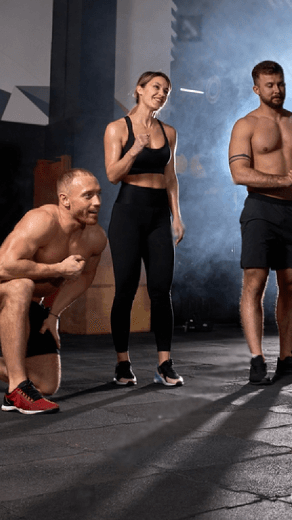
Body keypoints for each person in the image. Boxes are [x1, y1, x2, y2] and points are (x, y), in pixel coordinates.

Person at [0, 169, 107, 414]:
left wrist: (53, 315)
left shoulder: (96, 238)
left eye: (99, 195)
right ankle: (16, 391)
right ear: (65, 199)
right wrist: (58, 268)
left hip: (29, 306)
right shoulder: (43, 220)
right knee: (22, 283)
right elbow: (3, 267)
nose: (97, 202)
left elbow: (85, 278)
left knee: (47, 384)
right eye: (88, 196)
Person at [229, 60, 292, 385]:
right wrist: (284, 177)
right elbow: (239, 173)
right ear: (256, 89)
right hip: (260, 210)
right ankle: (257, 358)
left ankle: (286, 358)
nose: (277, 90)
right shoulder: (246, 125)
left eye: (280, 84)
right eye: (269, 85)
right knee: (254, 284)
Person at [103, 71, 186, 388]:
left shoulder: (169, 132)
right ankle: (123, 364)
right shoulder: (116, 129)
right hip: (127, 213)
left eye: (167, 90)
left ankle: (164, 363)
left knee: (161, 291)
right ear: (138, 89)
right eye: (156, 87)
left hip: (158, 216)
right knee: (124, 289)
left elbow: (171, 178)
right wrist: (135, 148)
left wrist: (176, 216)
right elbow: (112, 175)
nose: (162, 93)